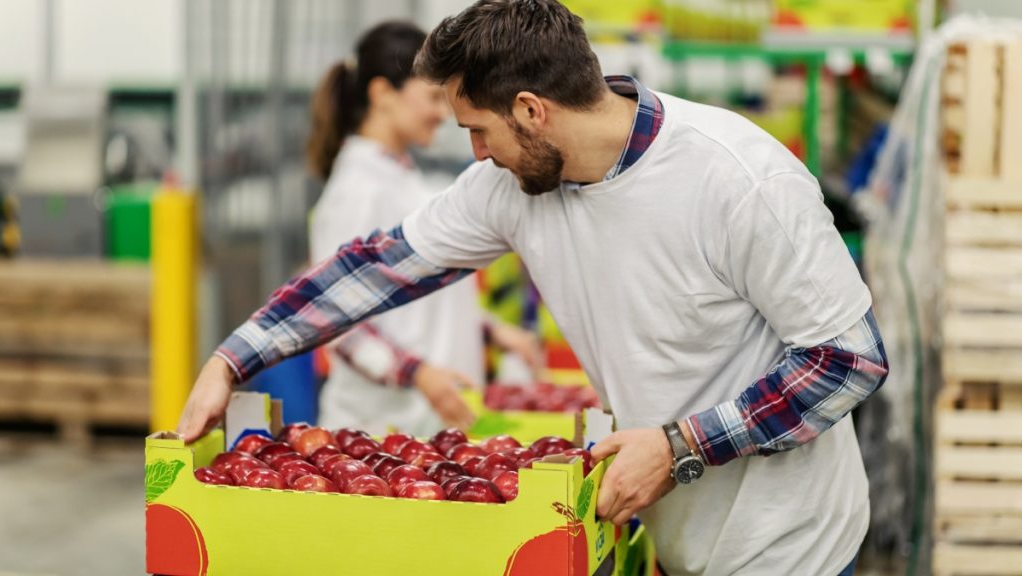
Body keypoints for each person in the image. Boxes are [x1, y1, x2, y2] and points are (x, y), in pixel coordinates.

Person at [178, 2, 888, 574]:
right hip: (675, 534)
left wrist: (679, 447)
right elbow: (378, 266)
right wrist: (234, 358)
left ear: (531, 110)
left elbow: (848, 359)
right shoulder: (507, 187)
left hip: (791, 545)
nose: (475, 153)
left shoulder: (736, 178)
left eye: (479, 130)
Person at [304, 21, 541, 436]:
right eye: (432, 97)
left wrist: (489, 329)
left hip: (422, 427)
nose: (442, 112)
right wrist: (419, 374)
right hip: (377, 434)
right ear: (382, 95)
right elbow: (338, 321)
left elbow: (414, 296)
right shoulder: (357, 190)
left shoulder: (402, 177)